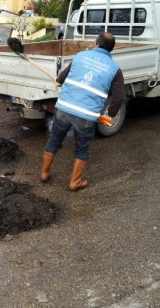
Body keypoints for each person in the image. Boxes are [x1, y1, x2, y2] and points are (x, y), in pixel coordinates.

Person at [40, 32, 125, 191]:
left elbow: (60, 79)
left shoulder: (79, 57)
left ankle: (44, 173)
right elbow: (119, 97)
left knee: (54, 141)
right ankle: (75, 182)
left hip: (64, 109)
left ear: (96, 44)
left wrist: (59, 82)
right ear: (110, 49)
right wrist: (110, 115)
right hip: (86, 116)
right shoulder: (114, 69)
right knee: (81, 149)